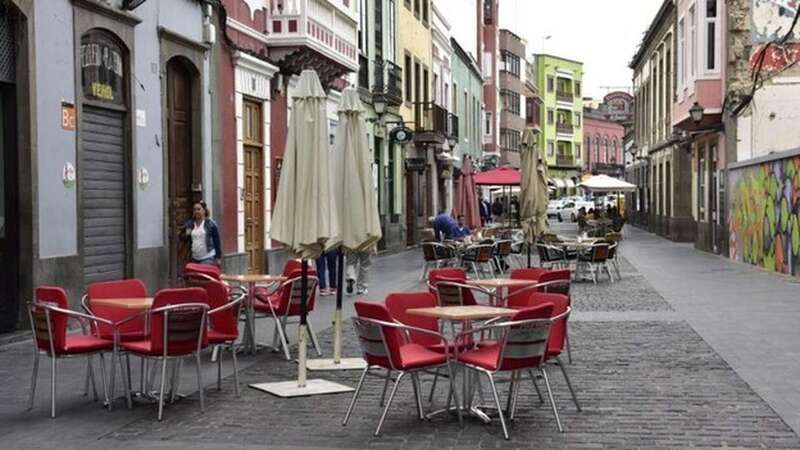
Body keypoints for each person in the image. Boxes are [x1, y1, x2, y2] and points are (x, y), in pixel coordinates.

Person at [181, 200, 222, 266]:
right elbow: (181, 237)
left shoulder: (211, 224)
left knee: (202, 275)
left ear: (204, 211)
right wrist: (186, 234)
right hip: (194, 258)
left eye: (198, 209)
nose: (196, 211)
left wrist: (218, 257)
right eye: (194, 210)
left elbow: (217, 241)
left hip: (208, 257)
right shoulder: (190, 224)